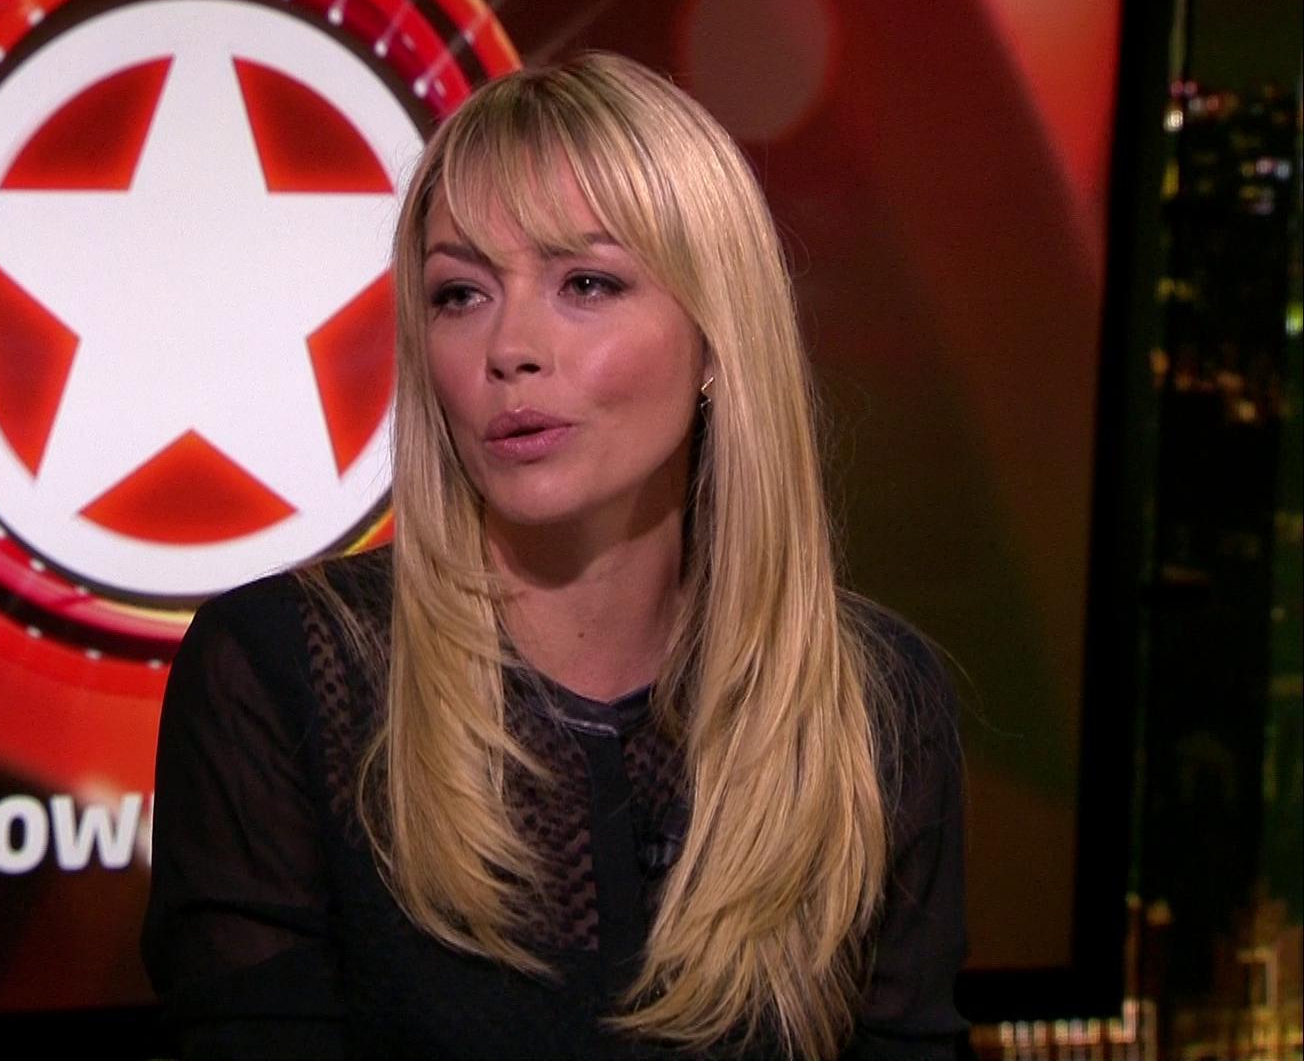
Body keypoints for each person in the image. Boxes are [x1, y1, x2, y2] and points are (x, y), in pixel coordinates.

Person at [141, 51, 966, 1060]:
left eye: (586, 282)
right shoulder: (281, 675)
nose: (509, 348)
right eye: (460, 294)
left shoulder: (871, 706)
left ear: (717, 338)